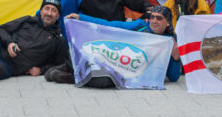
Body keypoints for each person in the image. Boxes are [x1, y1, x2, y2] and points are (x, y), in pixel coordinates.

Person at [51, 6, 181, 86]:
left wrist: (175, 58)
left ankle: (68, 77)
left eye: (159, 18)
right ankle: (68, 67)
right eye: (152, 17)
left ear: (168, 23)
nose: (154, 21)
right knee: (84, 52)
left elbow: (173, 78)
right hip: (116, 59)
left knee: (104, 82)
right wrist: (81, 17)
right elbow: (111, 25)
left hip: (130, 74)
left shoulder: (170, 41)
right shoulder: (141, 25)